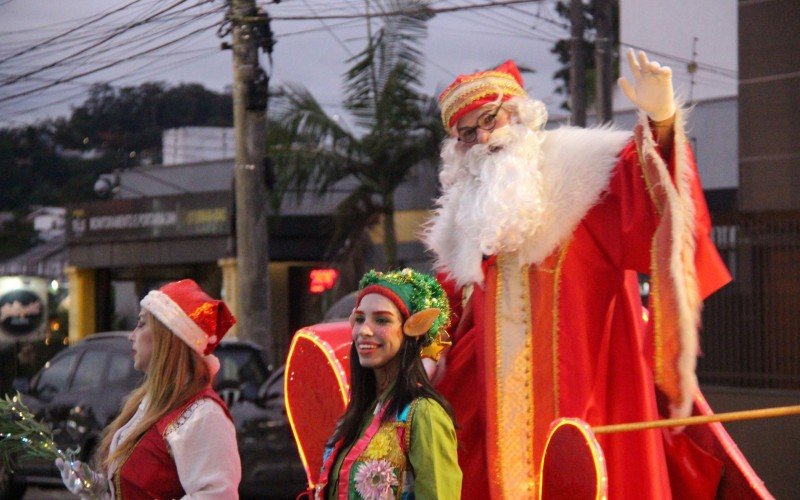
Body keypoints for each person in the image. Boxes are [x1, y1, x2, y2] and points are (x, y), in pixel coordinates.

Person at [423, 50, 766, 498]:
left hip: (590, 395)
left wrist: (661, 120)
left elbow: (652, 198)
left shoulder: (586, 176)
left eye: (490, 119)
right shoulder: (467, 220)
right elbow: (447, 308)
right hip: (494, 414)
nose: (483, 138)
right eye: (467, 133)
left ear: (520, 115)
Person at [56, 279, 241, 499]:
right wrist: (97, 488)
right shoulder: (149, 403)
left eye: (142, 324)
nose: (131, 336)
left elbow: (217, 496)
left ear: (167, 338)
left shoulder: (203, 415)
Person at [315, 268, 462, 499]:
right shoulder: (358, 413)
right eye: (360, 319)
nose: (364, 331)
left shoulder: (423, 414)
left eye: (382, 320)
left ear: (414, 329)